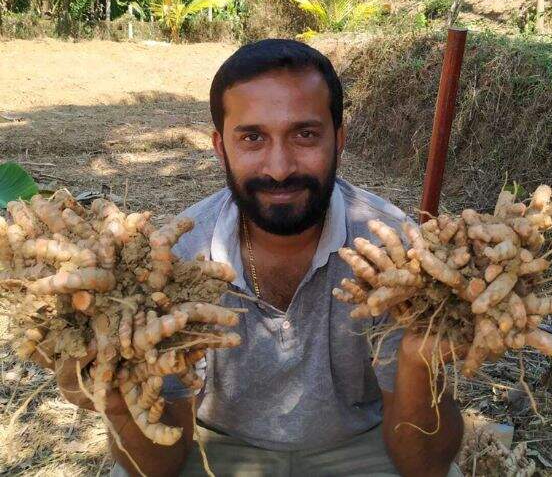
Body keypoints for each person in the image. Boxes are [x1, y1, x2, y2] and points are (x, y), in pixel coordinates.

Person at [48, 39, 464, 476]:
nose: (279, 167)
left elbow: (425, 465)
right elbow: (160, 463)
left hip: (365, 443)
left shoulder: (397, 254)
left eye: (305, 135)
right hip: (217, 446)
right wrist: (116, 405)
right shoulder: (175, 260)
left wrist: (420, 362)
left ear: (339, 141)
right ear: (219, 147)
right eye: (252, 138)